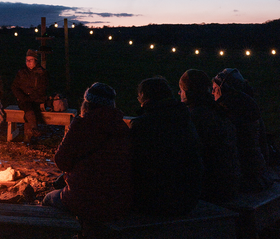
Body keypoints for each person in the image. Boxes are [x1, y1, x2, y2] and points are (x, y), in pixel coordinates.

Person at [42, 83, 133, 221]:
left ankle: (53, 238)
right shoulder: (121, 128)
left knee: (48, 198)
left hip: (84, 197)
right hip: (117, 199)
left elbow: (61, 161)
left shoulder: (81, 125)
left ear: (87, 104)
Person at [129, 77, 203, 216]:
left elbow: (133, 163)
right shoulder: (185, 118)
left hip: (156, 201)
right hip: (189, 199)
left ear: (145, 97)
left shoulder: (143, 125)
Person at [179, 69, 241, 203]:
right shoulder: (218, 110)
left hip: (211, 189)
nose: (179, 94)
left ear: (188, 92)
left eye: (181, 90)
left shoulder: (194, 118)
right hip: (230, 183)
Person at [212, 68, 272, 192]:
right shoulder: (248, 104)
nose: (212, 93)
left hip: (247, 176)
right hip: (259, 171)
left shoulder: (230, 110)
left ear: (223, 89)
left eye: (214, 89)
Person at [11, 49, 49, 143]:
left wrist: (36, 98)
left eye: (30, 60)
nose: (28, 62)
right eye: (27, 60)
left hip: (36, 100)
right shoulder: (22, 72)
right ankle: (34, 130)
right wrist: (22, 97)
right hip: (24, 100)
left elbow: (43, 88)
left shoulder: (41, 73)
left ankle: (29, 136)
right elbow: (15, 87)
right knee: (28, 107)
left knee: (32, 109)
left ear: (35, 61)